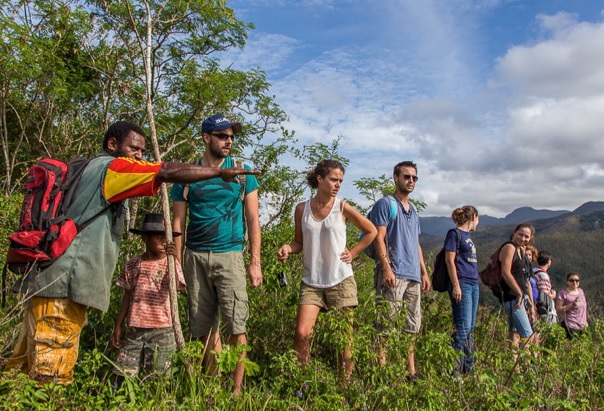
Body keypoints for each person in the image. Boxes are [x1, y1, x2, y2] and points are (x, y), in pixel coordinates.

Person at [4, 120, 259, 385]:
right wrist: (218, 174)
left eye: (142, 152)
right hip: (62, 286)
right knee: (51, 371)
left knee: (21, 369)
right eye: (133, 149)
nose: (139, 156)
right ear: (113, 145)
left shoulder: (89, 168)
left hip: (49, 282)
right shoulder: (113, 168)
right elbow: (166, 171)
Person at [170, 114, 262, 395]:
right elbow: (178, 223)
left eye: (231, 136)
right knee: (203, 327)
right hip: (195, 256)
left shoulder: (242, 172)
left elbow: (253, 219)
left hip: (230, 255)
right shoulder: (187, 174)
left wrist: (254, 262)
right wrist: (176, 263)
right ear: (206, 138)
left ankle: (235, 392)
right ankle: (212, 387)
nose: (229, 141)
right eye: (222, 135)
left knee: (237, 325)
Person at [276, 160, 377, 382]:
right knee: (302, 334)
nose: (338, 184)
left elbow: (371, 231)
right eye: (333, 179)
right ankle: (301, 385)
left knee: (344, 339)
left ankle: (344, 387)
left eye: (340, 180)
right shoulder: (302, 209)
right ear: (320, 179)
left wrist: (354, 252)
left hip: (340, 279)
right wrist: (287, 248)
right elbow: (298, 242)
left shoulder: (342, 207)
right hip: (311, 281)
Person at [371, 161, 430, 380]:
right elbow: (378, 237)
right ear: (395, 177)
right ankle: (381, 371)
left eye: (414, 178)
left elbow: (416, 243)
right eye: (407, 176)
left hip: (413, 274)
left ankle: (411, 372)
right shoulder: (387, 204)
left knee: (412, 326)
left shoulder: (413, 210)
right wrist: (386, 267)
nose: (411, 181)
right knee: (385, 324)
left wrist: (424, 272)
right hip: (393, 273)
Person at [111, 213, 186, 380]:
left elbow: (178, 288)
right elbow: (127, 295)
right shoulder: (133, 264)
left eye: (165, 238)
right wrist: (119, 325)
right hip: (135, 327)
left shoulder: (170, 263)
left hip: (163, 328)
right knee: (124, 373)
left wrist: (173, 259)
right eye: (159, 238)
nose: (163, 242)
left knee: (159, 377)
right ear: (145, 238)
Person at [444, 206, 479, 375]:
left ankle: (468, 367)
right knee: (463, 328)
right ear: (474, 217)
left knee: (470, 328)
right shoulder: (454, 234)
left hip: (473, 284)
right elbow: (449, 261)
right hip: (462, 283)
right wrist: (456, 285)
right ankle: (454, 370)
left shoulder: (468, 237)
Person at [498, 223, 537, 353]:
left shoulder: (523, 251)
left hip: (521, 298)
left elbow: (526, 280)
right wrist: (519, 293)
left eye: (526, 236)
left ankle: (514, 369)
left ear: (531, 238)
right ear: (514, 232)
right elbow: (505, 272)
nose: (523, 238)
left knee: (514, 335)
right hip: (513, 298)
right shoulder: (510, 247)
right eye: (520, 234)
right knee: (528, 335)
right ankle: (526, 368)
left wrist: (531, 304)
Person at [556, 272, 588, 339]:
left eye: (577, 280)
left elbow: (583, 309)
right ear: (567, 282)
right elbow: (558, 309)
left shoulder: (581, 292)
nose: (574, 282)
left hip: (583, 326)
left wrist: (585, 321)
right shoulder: (563, 293)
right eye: (572, 280)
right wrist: (571, 305)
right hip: (570, 326)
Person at [533, 251, 557, 325]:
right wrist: (553, 295)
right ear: (548, 262)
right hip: (546, 312)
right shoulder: (543, 276)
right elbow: (544, 295)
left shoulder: (533, 272)